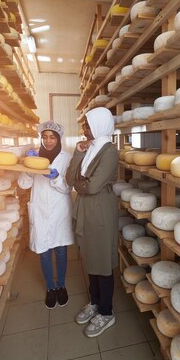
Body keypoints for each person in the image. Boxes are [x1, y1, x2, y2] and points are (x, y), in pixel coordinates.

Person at [66, 107, 119, 338]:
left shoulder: (109, 152)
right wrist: (78, 152)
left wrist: (80, 183)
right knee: (90, 256)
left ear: (99, 125)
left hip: (99, 209)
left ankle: (107, 312)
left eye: (87, 125)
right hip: (87, 206)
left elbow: (93, 186)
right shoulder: (90, 149)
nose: (84, 129)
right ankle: (95, 303)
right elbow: (70, 178)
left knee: (102, 261)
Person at [18, 121, 73, 309]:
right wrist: (27, 166)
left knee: (60, 250)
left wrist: (57, 178)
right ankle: (50, 288)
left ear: (58, 139)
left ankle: (61, 285)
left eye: (52, 137)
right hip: (40, 209)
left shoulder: (67, 158)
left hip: (60, 210)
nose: (48, 141)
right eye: (45, 137)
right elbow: (24, 184)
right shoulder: (35, 158)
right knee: (44, 251)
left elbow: (68, 188)